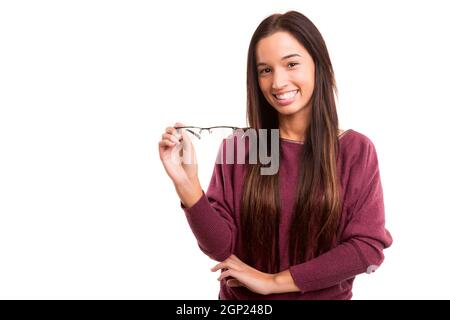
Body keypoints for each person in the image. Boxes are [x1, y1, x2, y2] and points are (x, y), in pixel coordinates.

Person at [158, 11, 393, 300]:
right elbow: (220, 249)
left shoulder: (354, 150)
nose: (278, 82)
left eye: (291, 64)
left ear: (319, 66)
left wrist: (273, 282)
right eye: (265, 70)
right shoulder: (244, 146)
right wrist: (187, 184)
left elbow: (366, 248)